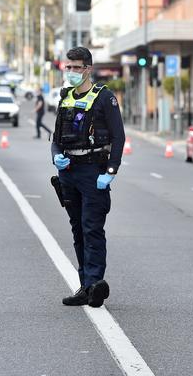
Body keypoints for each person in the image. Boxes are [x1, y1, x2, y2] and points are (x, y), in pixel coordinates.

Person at [51, 46, 125, 308]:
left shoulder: (104, 98)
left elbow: (118, 137)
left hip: (94, 172)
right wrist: (56, 156)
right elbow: (56, 137)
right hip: (69, 172)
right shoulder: (65, 98)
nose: (71, 72)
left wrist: (111, 172)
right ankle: (85, 284)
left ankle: (95, 284)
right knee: (77, 230)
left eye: (76, 68)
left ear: (88, 69)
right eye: (67, 67)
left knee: (92, 227)